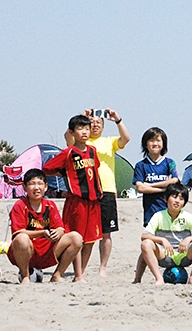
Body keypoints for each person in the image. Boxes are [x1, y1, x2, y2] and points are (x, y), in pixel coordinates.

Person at [66, 108, 130, 277]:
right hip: (87, 193)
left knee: (106, 233)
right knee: (85, 234)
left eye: (98, 123)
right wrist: (82, 118)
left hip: (107, 190)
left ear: (103, 125)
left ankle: (103, 267)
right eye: (91, 122)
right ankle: (81, 269)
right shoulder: (82, 142)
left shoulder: (109, 142)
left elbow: (126, 139)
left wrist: (117, 119)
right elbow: (68, 137)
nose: (95, 125)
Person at [43, 115, 103, 281]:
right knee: (77, 237)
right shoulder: (68, 152)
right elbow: (47, 168)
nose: (84, 132)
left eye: (86, 128)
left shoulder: (92, 151)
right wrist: (64, 173)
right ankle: (74, 274)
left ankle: (80, 273)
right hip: (77, 201)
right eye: (80, 129)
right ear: (72, 132)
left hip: (94, 200)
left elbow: (94, 170)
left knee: (91, 240)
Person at [7, 169, 83, 283]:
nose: (36, 188)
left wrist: (58, 232)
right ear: (24, 187)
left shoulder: (50, 205)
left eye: (40, 184)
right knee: (21, 238)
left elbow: (60, 227)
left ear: (46, 187)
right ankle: (25, 276)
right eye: (32, 184)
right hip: (26, 252)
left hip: (48, 251)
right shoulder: (20, 205)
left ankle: (57, 275)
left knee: (76, 237)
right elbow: (18, 232)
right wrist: (42, 232)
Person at [132, 127, 179, 283]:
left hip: (169, 211)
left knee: (158, 245)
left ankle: (138, 278)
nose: (155, 143)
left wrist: (150, 186)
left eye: (158, 140)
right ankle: (141, 278)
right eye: (151, 140)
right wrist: (164, 185)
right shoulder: (141, 165)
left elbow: (175, 183)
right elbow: (140, 187)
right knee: (149, 243)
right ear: (146, 144)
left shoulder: (169, 163)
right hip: (151, 211)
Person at [140, 183, 192, 285]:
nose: (177, 201)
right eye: (174, 197)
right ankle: (159, 279)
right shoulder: (159, 216)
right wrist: (162, 240)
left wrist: (189, 239)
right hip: (165, 255)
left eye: (181, 199)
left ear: (184, 203)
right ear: (166, 199)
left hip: (184, 255)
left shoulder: (187, 216)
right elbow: (144, 236)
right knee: (146, 244)